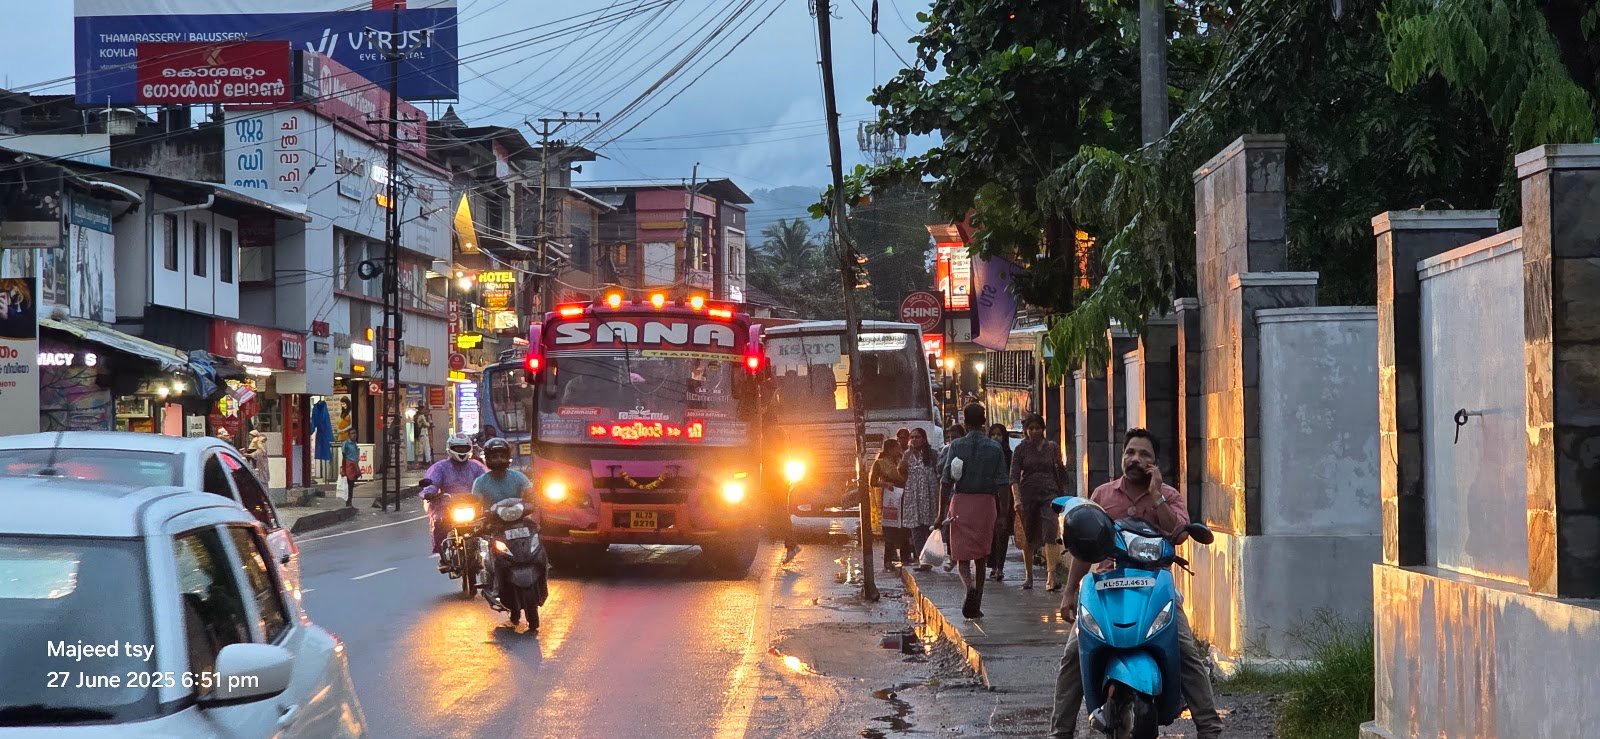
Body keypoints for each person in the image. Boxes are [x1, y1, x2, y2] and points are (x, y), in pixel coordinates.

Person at [1050, 428, 1221, 739]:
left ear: (1155, 464)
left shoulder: (1169, 496)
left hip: (1153, 590)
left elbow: (1179, 534)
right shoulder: (1102, 496)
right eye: (1130, 452)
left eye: (1144, 455)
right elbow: (1084, 550)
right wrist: (1069, 591)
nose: (1135, 459)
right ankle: (1059, 732)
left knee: (1185, 651)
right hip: (1105, 589)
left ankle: (1209, 728)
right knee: (1074, 654)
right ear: (1122, 456)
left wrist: (1156, 496)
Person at [941, 404, 1009, 619]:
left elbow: (946, 480)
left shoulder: (956, 445)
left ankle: (968, 587)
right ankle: (977, 600)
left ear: (965, 421)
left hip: (961, 502)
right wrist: (1003, 513)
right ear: (984, 421)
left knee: (961, 556)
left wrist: (940, 512)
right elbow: (1003, 483)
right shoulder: (995, 448)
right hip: (986, 504)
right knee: (981, 556)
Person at [1011, 413, 1069, 591]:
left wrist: (1062, 493)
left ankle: (1051, 575)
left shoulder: (1052, 447)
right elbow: (1014, 477)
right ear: (1026, 431)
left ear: (1043, 429)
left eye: (1037, 428)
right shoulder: (1020, 449)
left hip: (1050, 495)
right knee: (1028, 536)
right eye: (1031, 428)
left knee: (1050, 531)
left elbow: (1059, 470)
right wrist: (1017, 499)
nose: (1034, 431)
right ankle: (1028, 576)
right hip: (1028, 496)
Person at [420, 434, 489, 567]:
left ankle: (490, 552)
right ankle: (443, 554)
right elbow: (432, 483)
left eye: (464, 448)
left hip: (473, 505)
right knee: (439, 522)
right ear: (450, 449)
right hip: (447, 507)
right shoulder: (439, 467)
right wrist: (429, 492)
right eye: (458, 448)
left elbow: (486, 481)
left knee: (489, 522)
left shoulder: (476, 467)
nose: (461, 451)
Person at [896, 427, 941, 571]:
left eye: (917, 437)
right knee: (916, 529)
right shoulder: (907, 454)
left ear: (924, 439)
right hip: (913, 495)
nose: (914, 440)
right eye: (912, 437)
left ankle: (930, 558)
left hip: (929, 494)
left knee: (928, 527)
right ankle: (922, 560)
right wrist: (906, 456)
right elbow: (901, 472)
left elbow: (939, 473)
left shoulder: (932, 454)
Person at [869, 437, 908, 570]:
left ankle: (905, 558)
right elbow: (873, 482)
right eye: (897, 447)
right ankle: (888, 560)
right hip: (889, 498)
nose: (899, 449)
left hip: (903, 497)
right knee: (890, 529)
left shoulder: (900, 462)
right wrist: (885, 484)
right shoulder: (879, 463)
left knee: (904, 528)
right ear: (890, 449)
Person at [935, 423, 965, 572]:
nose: (953, 440)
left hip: (963, 493)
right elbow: (940, 469)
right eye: (951, 437)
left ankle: (960, 557)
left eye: (956, 437)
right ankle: (952, 556)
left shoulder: (966, 450)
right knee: (950, 526)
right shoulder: (947, 450)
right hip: (950, 494)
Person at [987, 423, 1015, 581]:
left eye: (999, 435)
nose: (996, 437)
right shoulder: (985, 455)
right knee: (990, 533)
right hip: (989, 496)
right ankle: (992, 566)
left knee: (1002, 532)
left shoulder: (1009, 455)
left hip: (1005, 497)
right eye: (993, 435)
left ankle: (1000, 567)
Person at [473, 438, 532, 505]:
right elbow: (476, 504)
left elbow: (531, 498)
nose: (499, 459)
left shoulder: (519, 477)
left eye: (502, 456)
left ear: (508, 458)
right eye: (494, 457)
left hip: (519, 511)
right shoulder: (480, 482)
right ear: (488, 459)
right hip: (490, 512)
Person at [341, 435, 361, 506]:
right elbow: (344, 456)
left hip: (354, 466)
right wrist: (343, 469)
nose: (354, 435)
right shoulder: (346, 444)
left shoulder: (355, 444)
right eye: (352, 433)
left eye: (355, 433)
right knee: (349, 484)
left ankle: (349, 501)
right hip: (348, 465)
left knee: (351, 485)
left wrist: (357, 468)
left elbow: (356, 457)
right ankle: (348, 501)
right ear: (349, 435)